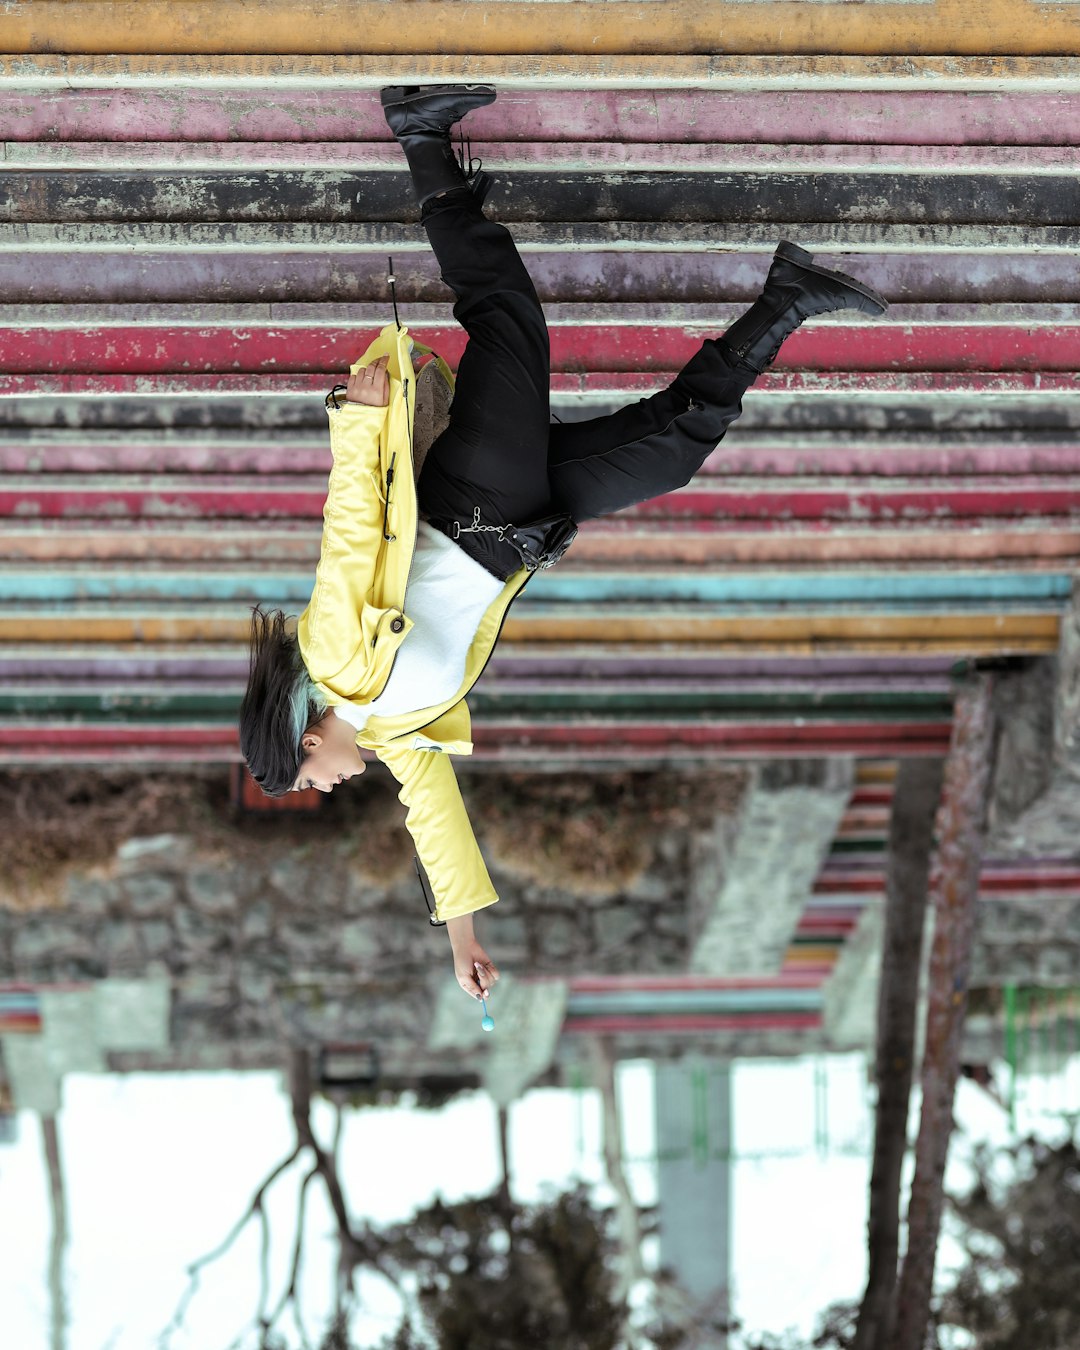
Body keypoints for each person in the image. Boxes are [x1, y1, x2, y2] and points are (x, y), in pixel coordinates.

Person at [239, 84, 888, 1007]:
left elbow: (349, 539)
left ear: (304, 738)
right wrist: (461, 940)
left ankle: (419, 136)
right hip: (520, 530)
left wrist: (355, 426)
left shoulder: (336, 657)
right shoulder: (390, 733)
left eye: (312, 778)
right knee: (670, 451)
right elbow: (437, 825)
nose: (333, 785)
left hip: (472, 499)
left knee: (507, 318)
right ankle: (788, 298)